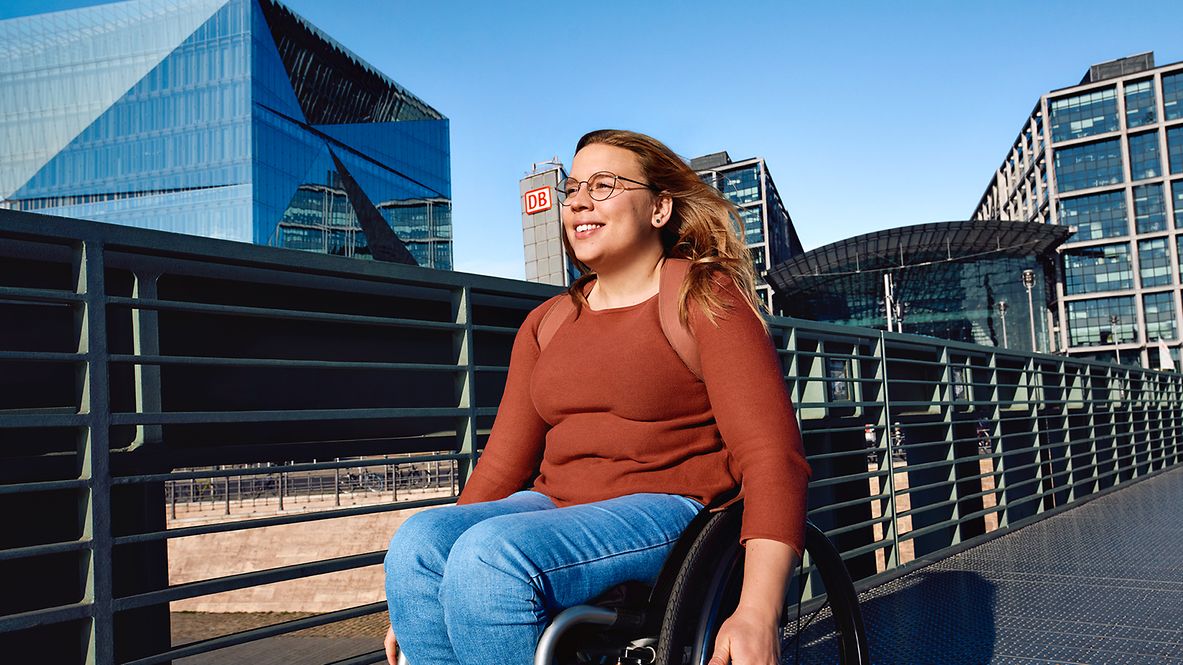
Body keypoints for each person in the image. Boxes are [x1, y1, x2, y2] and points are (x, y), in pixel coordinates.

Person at [383, 129, 810, 665]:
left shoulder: (702, 297)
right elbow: (499, 468)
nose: (579, 200)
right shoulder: (547, 323)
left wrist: (757, 613)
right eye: (573, 188)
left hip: (669, 508)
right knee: (419, 544)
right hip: (556, 507)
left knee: (489, 559)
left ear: (658, 208)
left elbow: (774, 457)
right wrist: (422, 601)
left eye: (604, 185)